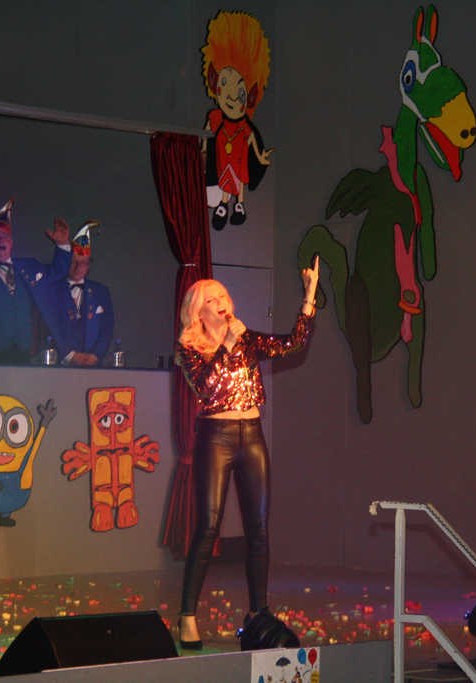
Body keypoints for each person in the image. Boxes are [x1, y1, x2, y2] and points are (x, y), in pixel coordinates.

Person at [174, 255, 319, 649]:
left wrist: (308, 299)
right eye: (212, 299)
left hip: (251, 434)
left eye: (224, 295)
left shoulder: (247, 339)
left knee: (258, 528)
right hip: (215, 436)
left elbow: (291, 344)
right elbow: (206, 386)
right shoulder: (189, 349)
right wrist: (227, 344)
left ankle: (258, 611)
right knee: (208, 526)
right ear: (198, 312)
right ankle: (187, 614)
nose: (221, 302)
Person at [0, 200, 71, 365]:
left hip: (24, 353)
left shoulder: (29, 268)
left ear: (11, 242)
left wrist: (62, 245)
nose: (0, 240)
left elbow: (57, 273)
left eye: (5, 237)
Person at [33, 220, 114, 366]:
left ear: (89, 265)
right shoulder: (51, 290)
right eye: (73, 262)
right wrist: (69, 356)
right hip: (57, 365)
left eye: (83, 263)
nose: (78, 268)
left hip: (92, 366)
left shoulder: (101, 292)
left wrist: (95, 356)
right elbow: (46, 327)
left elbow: (106, 329)